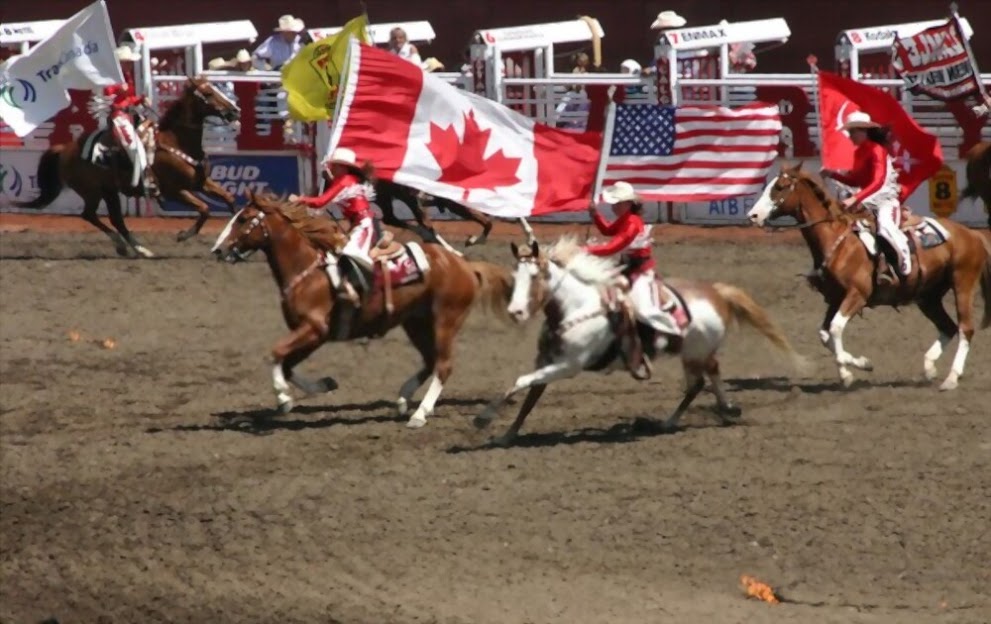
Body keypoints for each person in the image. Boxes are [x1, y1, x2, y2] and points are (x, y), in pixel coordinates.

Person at [586, 182, 682, 379]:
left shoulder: (632, 223)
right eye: (615, 203)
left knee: (643, 309)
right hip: (627, 269)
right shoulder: (626, 219)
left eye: (618, 203)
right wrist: (595, 215)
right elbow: (608, 231)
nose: (614, 206)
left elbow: (612, 246)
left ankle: (664, 332)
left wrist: (584, 251)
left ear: (628, 203)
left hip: (640, 271)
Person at [289, 148, 378, 337]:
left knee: (351, 255)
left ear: (342, 167)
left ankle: (357, 293)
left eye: (335, 165)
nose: (332, 168)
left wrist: (300, 199)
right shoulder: (343, 181)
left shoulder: (346, 182)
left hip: (364, 225)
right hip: (357, 224)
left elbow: (321, 202)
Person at [821, 111, 911, 285]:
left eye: (853, 132)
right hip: (865, 200)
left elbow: (878, 181)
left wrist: (855, 198)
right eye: (849, 132)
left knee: (885, 228)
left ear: (863, 131)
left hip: (885, 201)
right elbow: (856, 180)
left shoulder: (877, 150)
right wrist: (833, 175)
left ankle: (904, 263)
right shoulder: (859, 152)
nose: (850, 136)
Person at [102, 74, 157, 198]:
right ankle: (139, 182)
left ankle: (144, 178)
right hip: (118, 117)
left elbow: (130, 98)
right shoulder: (111, 79)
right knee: (134, 148)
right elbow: (109, 98)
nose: (128, 64)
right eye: (125, 61)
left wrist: (141, 100)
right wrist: (123, 94)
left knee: (148, 138)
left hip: (129, 117)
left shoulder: (127, 77)